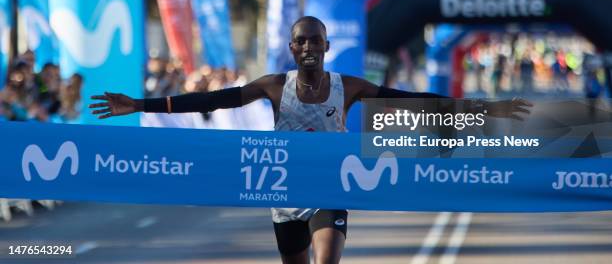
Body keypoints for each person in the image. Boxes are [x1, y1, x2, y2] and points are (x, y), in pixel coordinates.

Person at [90, 16, 531, 264]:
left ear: (325, 45)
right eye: (300, 41)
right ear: (291, 47)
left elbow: (413, 99)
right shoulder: (272, 85)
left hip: (328, 189)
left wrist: (484, 108)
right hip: (284, 195)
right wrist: (141, 105)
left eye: (315, 41)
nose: (308, 48)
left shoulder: (349, 86)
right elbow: (213, 99)